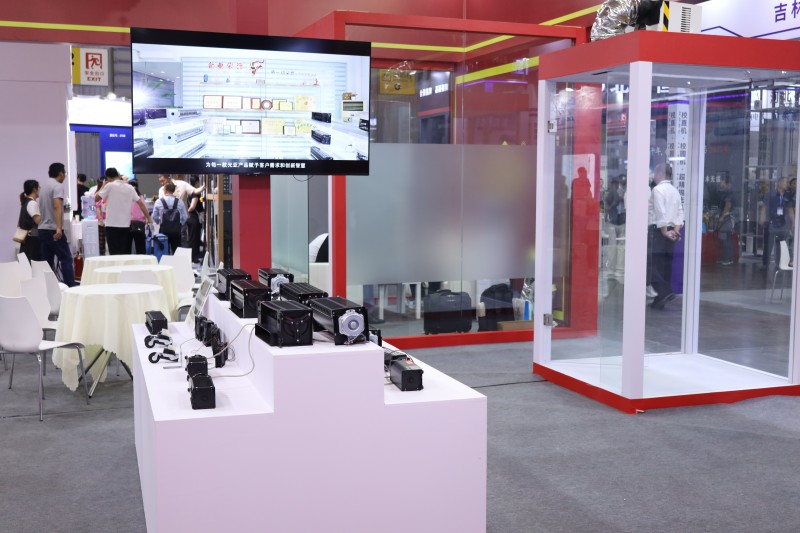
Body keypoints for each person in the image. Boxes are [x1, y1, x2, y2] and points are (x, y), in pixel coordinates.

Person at [647, 163, 684, 310]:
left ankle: (665, 292)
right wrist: (675, 231)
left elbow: (660, 212)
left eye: (655, 173)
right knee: (665, 265)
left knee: (650, 264)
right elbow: (680, 212)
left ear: (660, 174)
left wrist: (663, 231)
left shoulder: (657, 190)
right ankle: (660, 299)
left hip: (658, 231)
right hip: (672, 231)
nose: (654, 176)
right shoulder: (675, 191)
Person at [96, 168, 152, 255]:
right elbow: (140, 203)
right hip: (125, 225)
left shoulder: (109, 186)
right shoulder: (130, 187)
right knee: (124, 252)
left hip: (111, 225)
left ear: (108, 178)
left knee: (114, 252)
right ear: (118, 175)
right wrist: (149, 218)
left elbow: (96, 198)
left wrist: (103, 185)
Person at [38, 162, 76, 286]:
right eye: (65, 172)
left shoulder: (44, 188)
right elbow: (57, 206)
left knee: (47, 261)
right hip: (53, 229)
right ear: (60, 173)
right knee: (66, 258)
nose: (65, 175)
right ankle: (70, 286)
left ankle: (49, 287)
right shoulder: (57, 186)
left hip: (43, 229)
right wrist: (59, 228)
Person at [761, 177, 794, 269]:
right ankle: (765, 264)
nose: (786, 184)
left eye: (787, 183)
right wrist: (762, 217)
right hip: (771, 222)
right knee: (768, 245)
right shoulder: (770, 194)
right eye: (785, 182)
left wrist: (793, 221)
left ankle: (778, 263)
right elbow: (764, 206)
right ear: (779, 183)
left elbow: (790, 209)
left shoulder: (788, 195)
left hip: (782, 224)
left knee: (780, 245)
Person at [152, 181, 188, 254]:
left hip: (163, 230)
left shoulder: (159, 202)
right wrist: (179, 224)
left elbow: (154, 216)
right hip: (176, 231)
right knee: (176, 252)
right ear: (173, 190)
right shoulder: (179, 202)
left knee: (164, 252)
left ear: (165, 190)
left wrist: (159, 222)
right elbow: (185, 216)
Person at [18, 179, 42, 261]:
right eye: (39, 187)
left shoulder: (25, 202)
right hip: (33, 240)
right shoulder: (32, 203)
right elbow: (38, 221)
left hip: (27, 239)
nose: (40, 189)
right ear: (34, 189)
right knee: (34, 264)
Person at [716, 176, 735, 266]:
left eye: (722, 182)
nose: (720, 183)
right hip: (728, 217)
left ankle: (727, 259)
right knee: (727, 239)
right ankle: (727, 258)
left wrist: (722, 216)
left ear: (726, 183)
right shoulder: (729, 191)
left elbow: (728, 205)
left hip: (727, 218)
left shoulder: (729, 192)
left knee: (725, 239)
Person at [186, 175, 204, 263]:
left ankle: (192, 257)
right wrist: (187, 211)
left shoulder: (190, 192)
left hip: (191, 218)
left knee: (192, 238)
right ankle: (194, 257)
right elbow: (193, 206)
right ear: (196, 182)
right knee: (194, 239)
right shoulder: (195, 193)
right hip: (193, 218)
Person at [128, 179, 148, 254]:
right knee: (140, 246)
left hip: (128, 223)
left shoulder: (127, 197)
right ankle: (142, 259)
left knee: (127, 245)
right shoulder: (140, 197)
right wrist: (147, 219)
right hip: (140, 223)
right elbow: (144, 209)